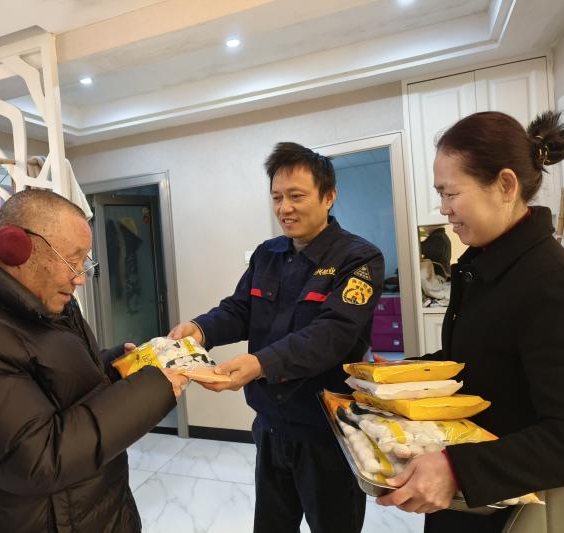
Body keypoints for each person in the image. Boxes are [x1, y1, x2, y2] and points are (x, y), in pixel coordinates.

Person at [0, 189, 188, 533]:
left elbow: (50, 381)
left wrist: (115, 368)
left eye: (85, 262)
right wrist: (153, 388)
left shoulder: (42, 302)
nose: (80, 277)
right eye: (72, 260)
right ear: (14, 246)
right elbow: (39, 459)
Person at [169, 142, 385, 533]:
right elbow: (239, 310)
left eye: (296, 196)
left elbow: (332, 334)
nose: (285, 208)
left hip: (328, 431)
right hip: (270, 423)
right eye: (277, 197)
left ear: (329, 196)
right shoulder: (267, 255)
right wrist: (200, 329)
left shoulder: (359, 259)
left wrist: (259, 364)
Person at [376, 110, 564, 532]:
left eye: (451, 193)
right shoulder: (483, 264)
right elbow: (474, 362)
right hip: (466, 494)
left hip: (511, 507)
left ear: (505, 186)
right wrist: (401, 374)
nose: (444, 209)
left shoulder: (549, 281)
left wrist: (457, 470)